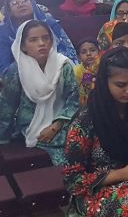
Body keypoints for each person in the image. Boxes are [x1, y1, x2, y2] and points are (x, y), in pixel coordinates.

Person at [63, 47, 128, 217]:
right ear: (104, 82)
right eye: (121, 84)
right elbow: (73, 180)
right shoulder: (86, 120)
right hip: (96, 192)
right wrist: (122, 173)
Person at [0, 21, 80, 165]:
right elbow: (7, 106)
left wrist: (56, 125)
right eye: (33, 40)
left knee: (81, 137)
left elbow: (74, 100)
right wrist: (3, 140)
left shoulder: (63, 65)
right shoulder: (16, 70)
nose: (41, 43)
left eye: (45, 38)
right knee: (63, 144)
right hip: (31, 123)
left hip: (64, 121)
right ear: (23, 46)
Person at [0, 0, 78, 70]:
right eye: (15, 3)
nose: (21, 5)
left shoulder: (50, 24)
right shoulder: (5, 33)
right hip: (22, 74)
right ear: (9, 11)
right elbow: (5, 67)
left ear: (32, 4)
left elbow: (69, 52)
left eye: (24, 0)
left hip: (58, 69)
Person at [74, 38, 101, 106]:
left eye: (92, 50)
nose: (88, 54)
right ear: (78, 57)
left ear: (99, 52)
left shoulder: (104, 66)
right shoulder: (76, 71)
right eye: (83, 52)